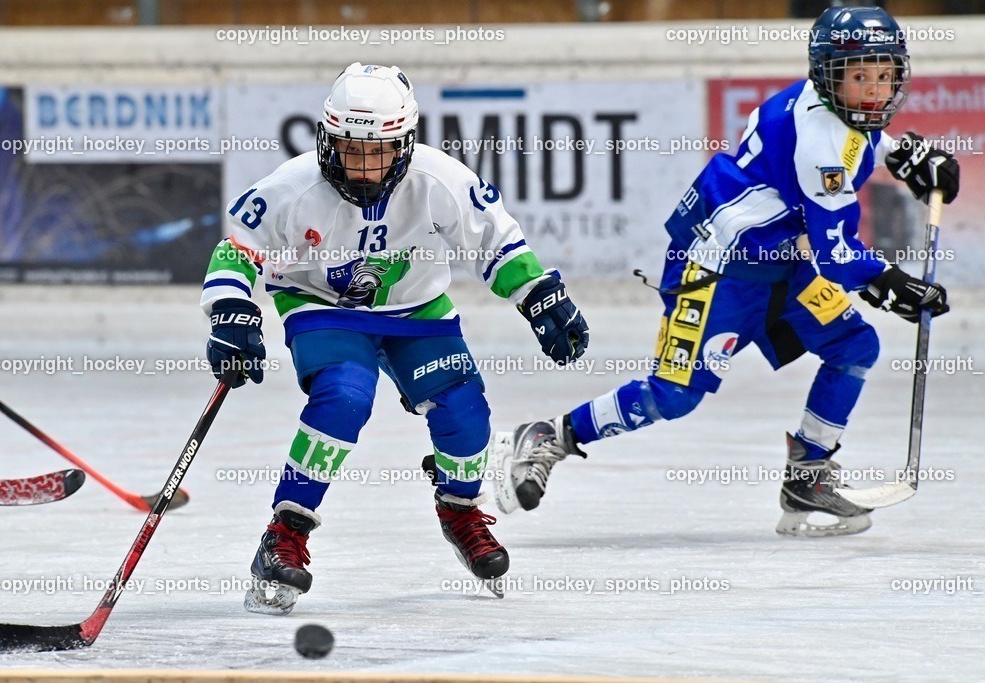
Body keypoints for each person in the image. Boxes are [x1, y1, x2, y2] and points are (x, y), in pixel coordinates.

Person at [492, 7, 958, 538]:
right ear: (829, 74)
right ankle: (549, 435)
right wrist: (891, 282)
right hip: (717, 268)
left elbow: (859, 139)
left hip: (780, 264)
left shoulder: (833, 108)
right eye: (859, 77)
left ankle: (808, 475)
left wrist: (904, 155)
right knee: (673, 395)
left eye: (883, 75)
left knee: (853, 347)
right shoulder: (820, 143)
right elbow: (836, 256)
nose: (874, 91)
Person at [200, 63, 589, 613]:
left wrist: (539, 293)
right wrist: (231, 308)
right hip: (321, 306)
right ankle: (285, 534)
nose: (360, 166)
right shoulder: (291, 186)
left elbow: (495, 239)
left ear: (405, 144)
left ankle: (458, 508)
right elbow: (237, 247)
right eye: (347, 148)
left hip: (416, 310)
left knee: (464, 412)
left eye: (376, 151)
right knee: (344, 396)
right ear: (326, 138)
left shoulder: (439, 179)